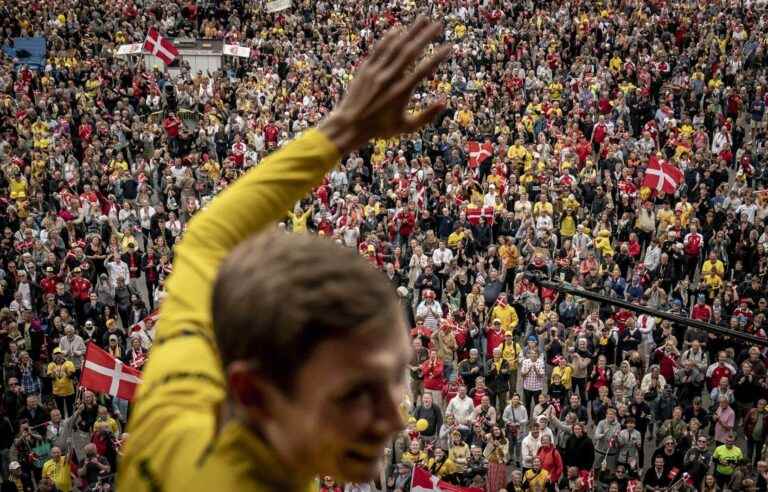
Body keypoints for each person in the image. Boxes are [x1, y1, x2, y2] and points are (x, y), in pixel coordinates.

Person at [117, 18, 452, 491]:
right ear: (253, 393)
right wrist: (340, 128)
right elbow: (207, 235)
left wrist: (339, 130)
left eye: (396, 374)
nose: (394, 420)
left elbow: (207, 237)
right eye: (355, 393)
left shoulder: (179, 382)